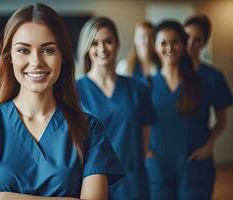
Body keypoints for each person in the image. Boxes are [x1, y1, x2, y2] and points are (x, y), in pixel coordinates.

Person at [0, 4, 124, 200]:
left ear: (63, 57)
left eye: (48, 50)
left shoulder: (89, 130)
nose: (36, 62)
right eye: (23, 51)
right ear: (9, 58)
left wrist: (1, 198)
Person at [147, 20, 232, 200]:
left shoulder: (204, 82)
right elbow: (137, 124)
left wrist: (209, 145)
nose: (169, 47)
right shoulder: (145, 85)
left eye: (175, 41)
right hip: (159, 168)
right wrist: (147, 152)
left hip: (194, 166)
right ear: (155, 46)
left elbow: (222, 119)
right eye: (163, 42)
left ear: (183, 44)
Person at [76, 17, 155, 200]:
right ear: (87, 47)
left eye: (108, 41)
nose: (102, 48)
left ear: (118, 44)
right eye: (95, 43)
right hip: (90, 182)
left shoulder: (138, 89)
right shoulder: (73, 91)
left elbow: (144, 146)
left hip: (133, 182)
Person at [116, 21, 159, 87]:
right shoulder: (124, 66)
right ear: (135, 39)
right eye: (142, 37)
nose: (147, 41)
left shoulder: (161, 64)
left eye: (150, 36)